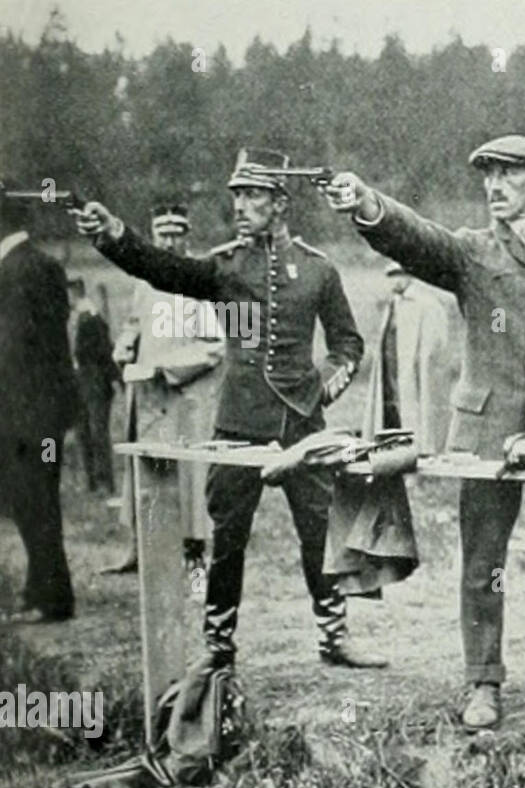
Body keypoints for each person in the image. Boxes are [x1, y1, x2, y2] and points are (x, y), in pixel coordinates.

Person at [324, 134, 525, 730]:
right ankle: (483, 683)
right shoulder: (471, 252)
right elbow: (415, 237)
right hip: (486, 434)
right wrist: (366, 203)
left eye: (508, 176)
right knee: (484, 563)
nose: (494, 187)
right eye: (488, 176)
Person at [73, 148, 386, 670]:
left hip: (303, 426)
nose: (240, 205)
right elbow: (161, 268)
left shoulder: (317, 271)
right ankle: (218, 645)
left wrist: (322, 391)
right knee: (228, 537)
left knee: (319, 532)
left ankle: (334, 637)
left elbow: (348, 346)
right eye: (237, 195)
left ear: (280, 203)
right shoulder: (224, 268)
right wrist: (113, 235)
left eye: (253, 194)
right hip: (238, 423)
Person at [104, 204, 225, 575]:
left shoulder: (200, 280)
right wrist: (125, 345)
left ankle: (195, 567)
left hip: (187, 398)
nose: (169, 241)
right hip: (149, 397)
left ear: (187, 235)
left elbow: (218, 346)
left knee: (190, 482)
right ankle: (140, 553)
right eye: (162, 233)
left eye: (176, 233)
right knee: (145, 472)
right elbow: (135, 323)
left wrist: (169, 369)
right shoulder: (144, 282)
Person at [0, 183, 78, 623]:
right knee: (30, 500)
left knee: (37, 500)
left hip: (32, 418)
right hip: (32, 415)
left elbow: (23, 350)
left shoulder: (24, 269)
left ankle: (53, 596)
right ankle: (40, 588)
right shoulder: (27, 266)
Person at [360, 261, 459, 456]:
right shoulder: (393, 304)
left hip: (415, 371)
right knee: (391, 405)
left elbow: (435, 352)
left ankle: (424, 447)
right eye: (390, 275)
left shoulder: (427, 305)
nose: (393, 280)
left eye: (398, 274)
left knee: (418, 407)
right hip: (392, 366)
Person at [68, 276, 119, 494]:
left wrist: (111, 379)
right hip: (78, 379)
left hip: (95, 380)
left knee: (98, 432)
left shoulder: (92, 317)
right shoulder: (73, 318)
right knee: (83, 432)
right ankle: (89, 481)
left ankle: (104, 483)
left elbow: (103, 353)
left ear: (75, 292)